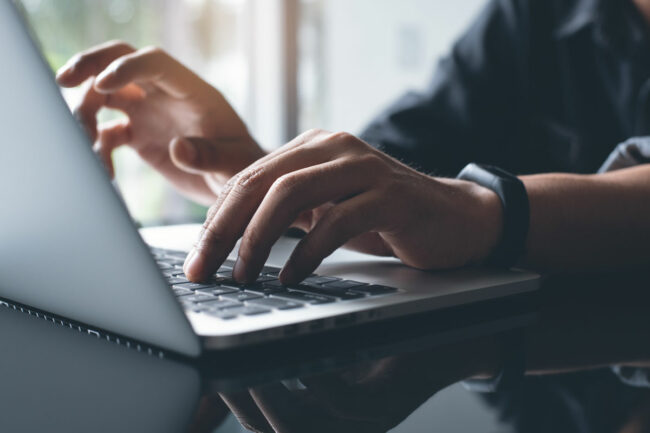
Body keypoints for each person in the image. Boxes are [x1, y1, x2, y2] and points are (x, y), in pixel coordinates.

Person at [55, 0, 650, 287]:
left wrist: (478, 211)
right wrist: (255, 170)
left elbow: (441, 206)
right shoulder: (536, 14)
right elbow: (392, 172)